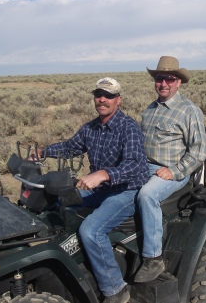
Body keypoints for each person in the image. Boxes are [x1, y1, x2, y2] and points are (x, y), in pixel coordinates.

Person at [39, 78, 149, 303]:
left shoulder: (129, 128)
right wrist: (43, 152)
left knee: (91, 231)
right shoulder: (91, 128)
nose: (102, 100)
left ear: (118, 100)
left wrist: (102, 174)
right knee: (59, 205)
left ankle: (116, 289)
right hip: (101, 189)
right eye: (98, 95)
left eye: (108, 95)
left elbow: (135, 164)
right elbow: (70, 147)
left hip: (127, 191)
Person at [134, 56, 206, 283]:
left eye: (169, 79)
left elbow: (199, 150)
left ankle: (153, 258)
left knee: (147, 196)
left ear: (179, 82)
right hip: (144, 166)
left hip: (173, 172)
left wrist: (174, 171)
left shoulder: (189, 110)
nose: (163, 83)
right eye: (159, 78)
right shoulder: (151, 107)